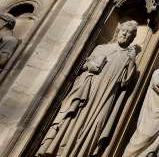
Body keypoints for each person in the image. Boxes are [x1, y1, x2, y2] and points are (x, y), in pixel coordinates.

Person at [38, 21, 139, 157]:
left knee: (98, 124)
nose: (125, 35)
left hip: (107, 97)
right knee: (75, 118)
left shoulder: (128, 59)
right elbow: (84, 65)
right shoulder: (102, 48)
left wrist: (132, 60)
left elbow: (125, 83)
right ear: (118, 31)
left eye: (129, 34)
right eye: (123, 31)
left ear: (132, 38)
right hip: (89, 91)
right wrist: (90, 65)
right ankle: (58, 149)